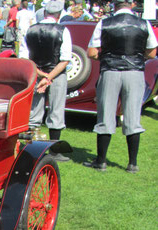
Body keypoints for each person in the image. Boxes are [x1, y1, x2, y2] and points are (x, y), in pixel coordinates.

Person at [84, 0, 157, 173]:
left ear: (114, 6)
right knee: (133, 116)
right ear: (131, 5)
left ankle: (101, 161)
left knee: (105, 115)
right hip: (134, 71)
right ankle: (132, 163)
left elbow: (92, 52)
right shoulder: (143, 23)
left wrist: (107, 56)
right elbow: (152, 52)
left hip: (110, 70)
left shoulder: (104, 23)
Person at [20, 0, 72, 162]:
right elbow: (65, 59)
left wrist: (41, 75)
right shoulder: (63, 31)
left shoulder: (30, 30)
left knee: (34, 112)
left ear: (44, 13)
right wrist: (49, 77)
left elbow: (24, 58)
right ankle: (55, 151)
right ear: (58, 15)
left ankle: (32, 149)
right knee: (56, 110)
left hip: (36, 73)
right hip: (57, 75)